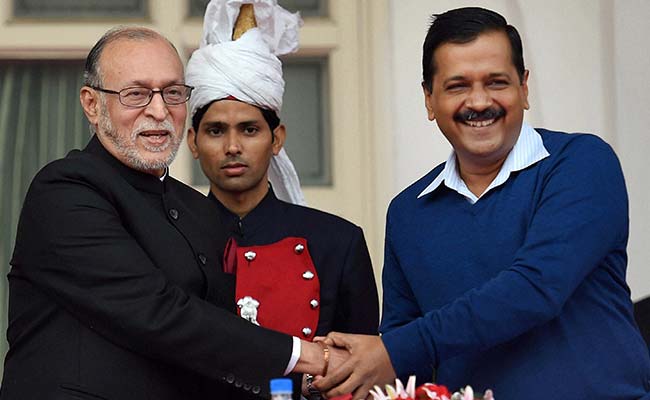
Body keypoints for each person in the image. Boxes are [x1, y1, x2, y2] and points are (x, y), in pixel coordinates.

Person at [315, 7, 650, 400]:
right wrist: (330, 369)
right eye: (457, 85)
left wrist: (394, 349)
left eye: (497, 82)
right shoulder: (409, 211)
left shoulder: (580, 162)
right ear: (429, 99)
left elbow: (534, 288)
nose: (479, 101)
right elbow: (406, 357)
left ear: (524, 88)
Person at [0, 25, 345, 400]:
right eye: (136, 94)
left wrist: (303, 383)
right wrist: (307, 355)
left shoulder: (198, 211)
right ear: (92, 104)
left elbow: (213, 347)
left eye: (173, 93)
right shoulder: (64, 191)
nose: (160, 110)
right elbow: (158, 312)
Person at [185, 1, 379, 398]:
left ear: (277, 139)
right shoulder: (169, 237)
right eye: (216, 130)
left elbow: (360, 377)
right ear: (192, 142)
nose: (233, 146)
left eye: (250, 129)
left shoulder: (337, 243)